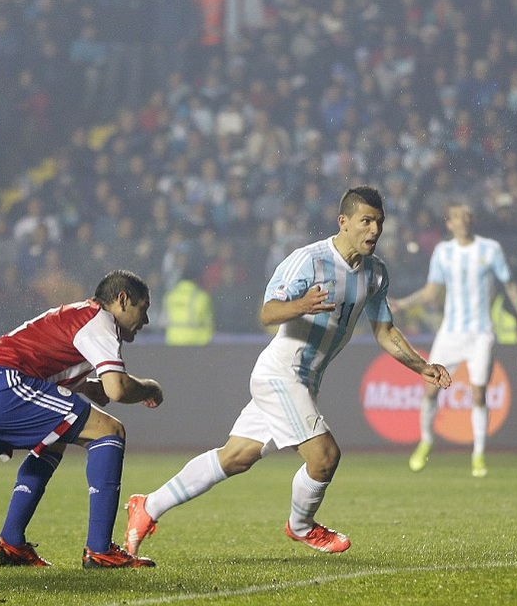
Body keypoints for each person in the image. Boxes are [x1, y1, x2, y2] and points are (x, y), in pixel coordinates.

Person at [124, 186, 451, 557]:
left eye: (379, 222)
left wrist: (421, 365)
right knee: (324, 456)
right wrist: (300, 305)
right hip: (281, 373)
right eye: (366, 221)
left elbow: (385, 330)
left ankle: (147, 506)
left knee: (235, 457)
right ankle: (301, 526)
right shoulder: (309, 261)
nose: (374, 230)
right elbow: (267, 312)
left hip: (305, 382)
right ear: (343, 222)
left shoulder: (375, 273)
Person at [0, 270, 163, 568]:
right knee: (110, 432)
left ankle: (10, 543)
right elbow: (117, 389)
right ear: (123, 300)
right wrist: (150, 388)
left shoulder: (74, 315)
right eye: (144, 308)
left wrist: (88, 387)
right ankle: (100, 551)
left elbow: (50, 368)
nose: (146, 321)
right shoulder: (100, 320)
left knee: (55, 440)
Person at [392, 203, 517, 478]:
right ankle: (426, 440)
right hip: (450, 332)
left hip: (481, 333)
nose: (463, 221)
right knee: (431, 387)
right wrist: (404, 304)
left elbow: (510, 285)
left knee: (478, 393)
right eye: (457, 216)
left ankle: (478, 454)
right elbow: (432, 292)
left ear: (472, 220)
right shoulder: (443, 252)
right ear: (449, 223)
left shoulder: (490, 250)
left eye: (467, 216)